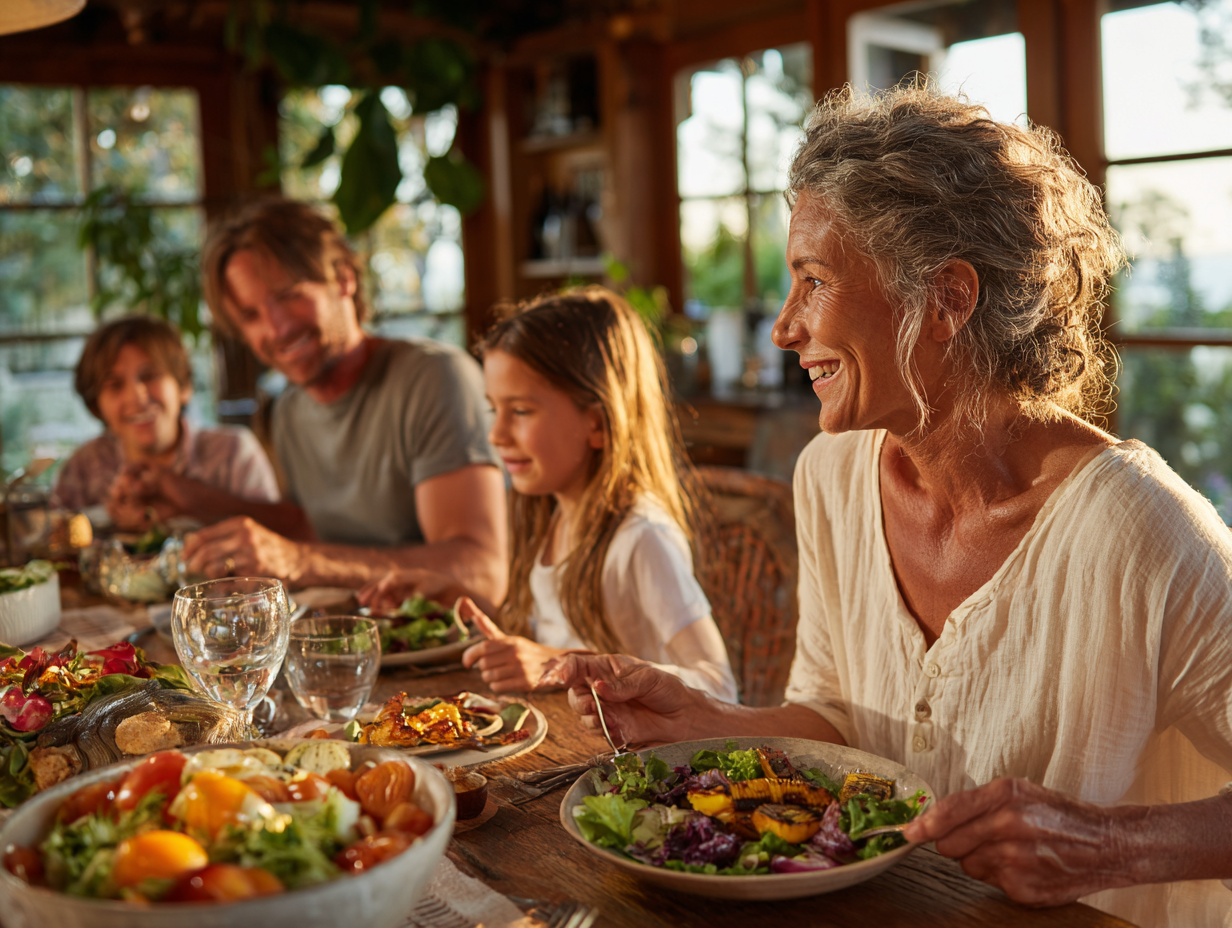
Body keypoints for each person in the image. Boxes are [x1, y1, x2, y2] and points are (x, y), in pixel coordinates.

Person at [542, 84, 1232, 928]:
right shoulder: (831, 476)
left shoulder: (1138, 530)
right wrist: (713, 720)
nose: (784, 327)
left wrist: (1110, 845)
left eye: (813, 281)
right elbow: (838, 718)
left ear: (946, 299)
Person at [362, 288, 737, 702]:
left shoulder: (640, 539)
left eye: (521, 411)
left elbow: (719, 686)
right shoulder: (549, 515)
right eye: (494, 410)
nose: (496, 434)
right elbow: (551, 635)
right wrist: (455, 599)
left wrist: (558, 664)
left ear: (597, 423)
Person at [181, 198, 507, 606]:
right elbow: (313, 535)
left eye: (288, 295)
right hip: (342, 636)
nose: (276, 329)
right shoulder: (288, 409)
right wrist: (187, 500)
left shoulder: (434, 378)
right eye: (251, 315)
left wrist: (299, 560)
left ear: (344, 279)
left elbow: (482, 571)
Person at [53, 315, 280, 528]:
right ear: (95, 406)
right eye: (115, 385)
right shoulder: (82, 469)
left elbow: (282, 532)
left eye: (150, 376)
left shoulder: (232, 453)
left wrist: (185, 496)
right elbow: (52, 539)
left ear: (184, 386)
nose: (137, 397)